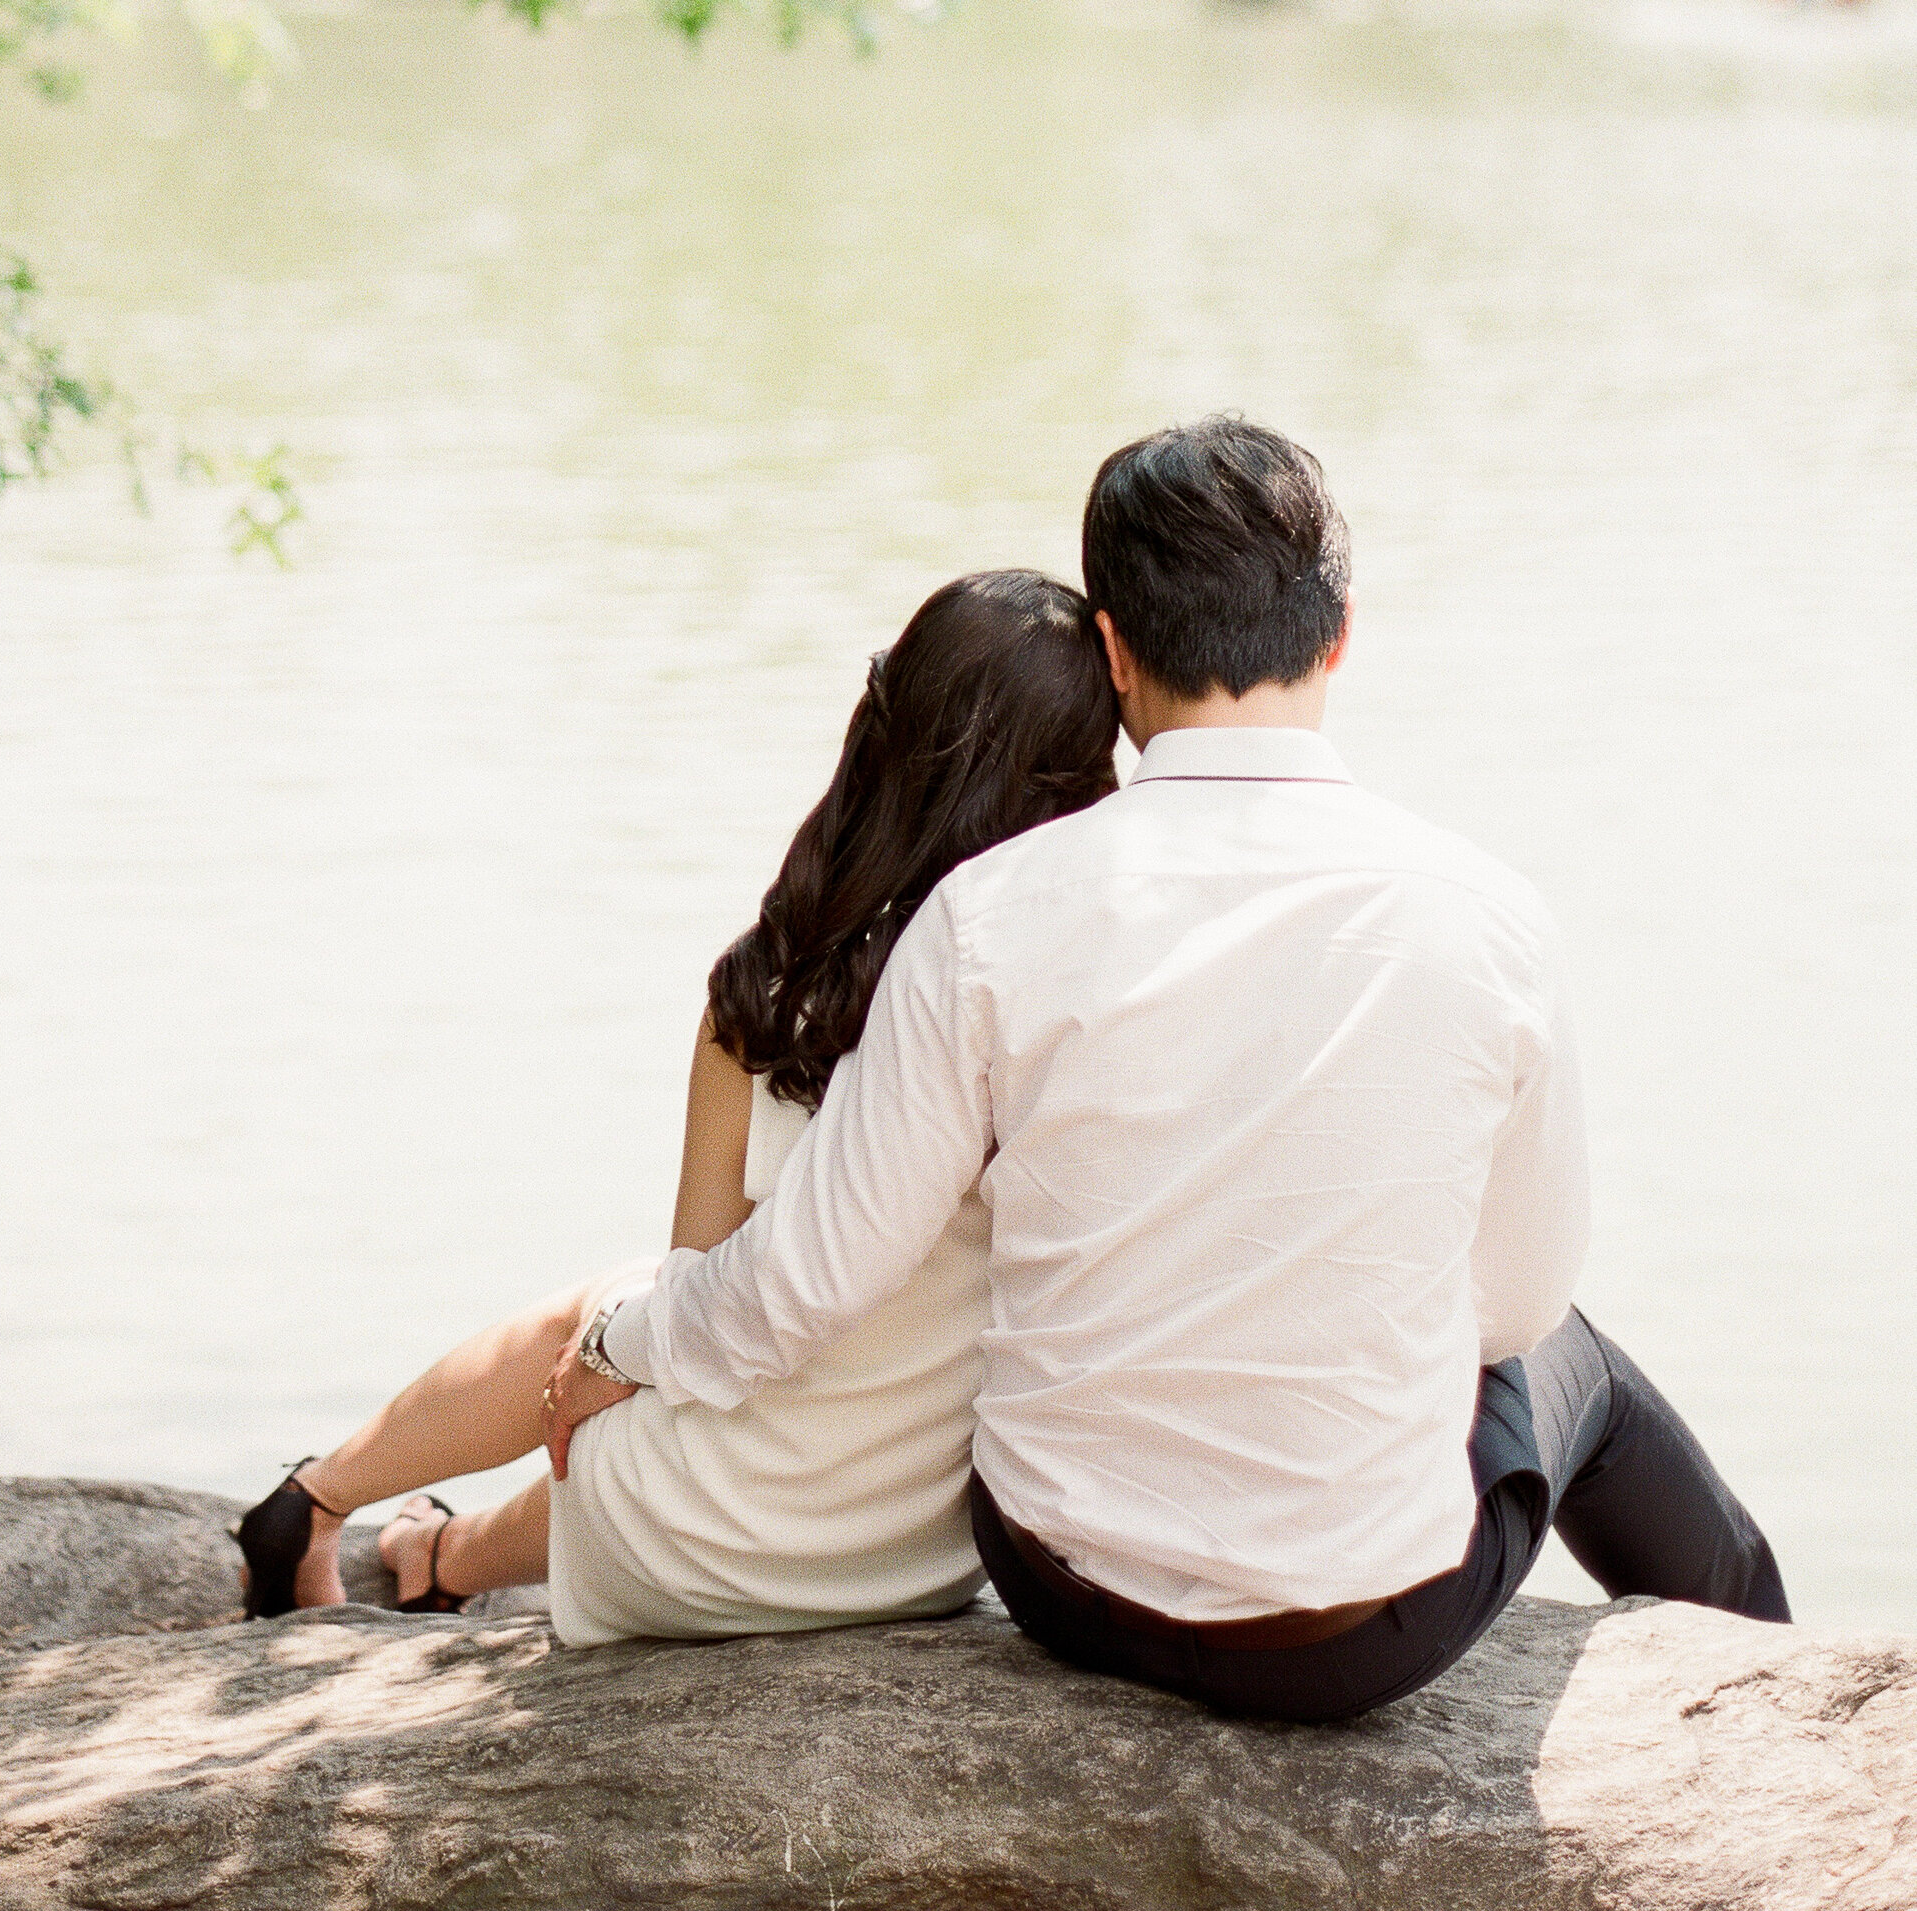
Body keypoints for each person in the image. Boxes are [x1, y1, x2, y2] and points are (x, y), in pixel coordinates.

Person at [547, 417, 1789, 1723]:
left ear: (1114, 653)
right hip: (1358, 1633)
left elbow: (797, 1286)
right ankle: (1773, 1696)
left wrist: (621, 1335)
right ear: (1342, 632)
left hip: (1064, 1583)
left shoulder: (982, 918)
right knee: (1572, 1346)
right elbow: (1514, 1309)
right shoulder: (1483, 914)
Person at [236, 566, 1119, 1637]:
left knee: (621, 1320)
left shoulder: (767, 994)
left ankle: (335, 1505)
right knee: (639, 1338)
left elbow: (696, 1296)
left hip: (710, 1541)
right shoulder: (1077, 1009)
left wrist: (614, 1348)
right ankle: (430, 1555)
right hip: (918, 1556)